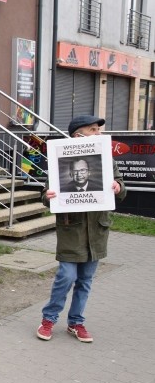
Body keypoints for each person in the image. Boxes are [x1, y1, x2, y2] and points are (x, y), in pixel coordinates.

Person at [37, 115, 126, 343]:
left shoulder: (107, 159)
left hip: (96, 232)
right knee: (66, 277)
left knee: (85, 280)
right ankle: (49, 318)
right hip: (71, 231)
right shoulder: (60, 159)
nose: (99, 133)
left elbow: (121, 187)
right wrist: (48, 197)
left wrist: (117, 187)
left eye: (98, 129)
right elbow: (48, 194)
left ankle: (76, 322)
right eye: (93, 129)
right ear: (78, 135)